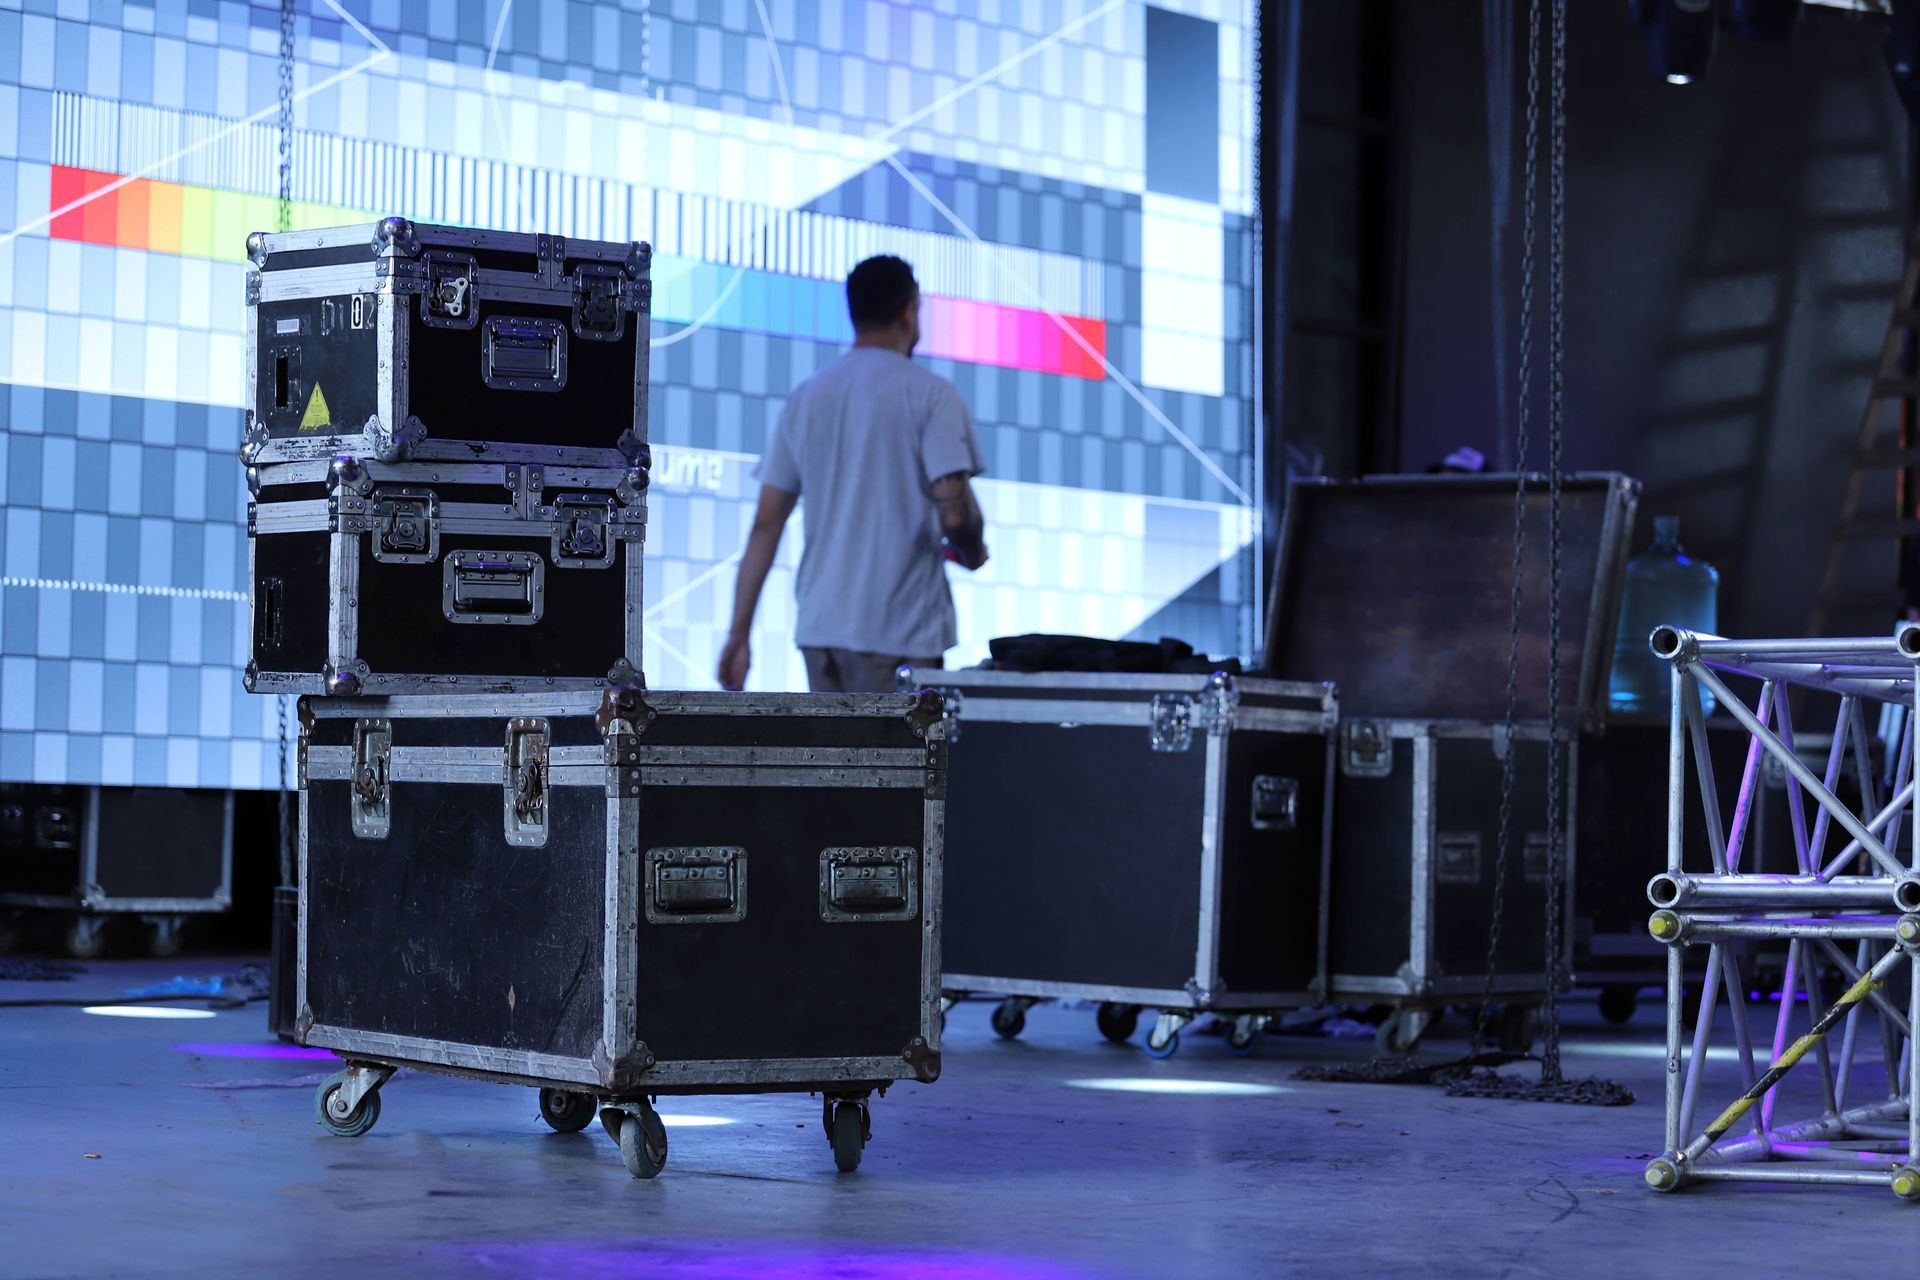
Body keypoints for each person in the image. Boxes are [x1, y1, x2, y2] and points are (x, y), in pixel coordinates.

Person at [717, 255, 989, 693]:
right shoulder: (932, 395)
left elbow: (766, 524)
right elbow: (955, 515)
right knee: (901, 743)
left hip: (822, 632)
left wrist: (738, 634)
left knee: (831, 742)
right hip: (900, 634)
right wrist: (973, 550)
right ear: (910, 311)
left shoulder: (806, 398)